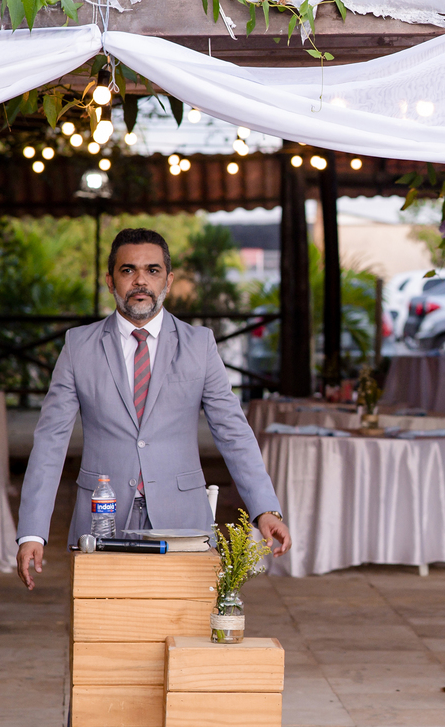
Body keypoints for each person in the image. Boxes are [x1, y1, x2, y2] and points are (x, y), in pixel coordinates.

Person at [16, 228, 289, 584]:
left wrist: (265, 509)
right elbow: (50, 441)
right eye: (128, 270)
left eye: (153, 270)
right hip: (101, 521)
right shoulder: (78, 346)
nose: (140, 280)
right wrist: (32, 532)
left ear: (168, 280)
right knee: (104, 633)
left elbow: (233, 432)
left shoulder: (199, 344)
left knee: (180, 631)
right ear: (110, 280)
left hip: (183, 523)